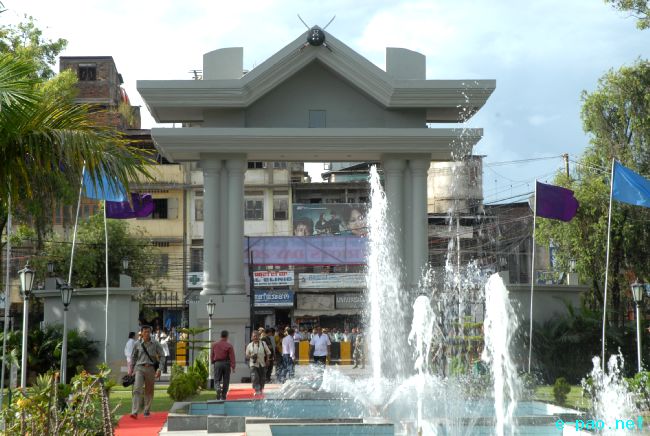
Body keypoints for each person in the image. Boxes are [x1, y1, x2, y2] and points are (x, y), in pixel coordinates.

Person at [129, 325, 163, 418]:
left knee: (149, 390)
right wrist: (132, 369)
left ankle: (146, 409)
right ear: (142, 333)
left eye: (148, 332)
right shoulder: (137, 344)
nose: (147, 333)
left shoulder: (155, 343)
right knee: (137, 389)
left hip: (150, 369)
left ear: (150, 333)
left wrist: (160, 369)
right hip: (139, 368)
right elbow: (133, 357)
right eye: (145, 332)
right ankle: (134, 411)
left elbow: (162, 356)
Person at [211, 330, 236, 400]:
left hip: (217, 363)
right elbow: (232, 357)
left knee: (217, 379)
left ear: (221, 336)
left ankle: (218, 388)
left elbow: (212, 355)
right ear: (227, 336)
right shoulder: (229, 345)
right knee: (226, 380)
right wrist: (233, 366)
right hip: (226, 364)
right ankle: (223, 396)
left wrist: (213, 362)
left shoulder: (214, 345)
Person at [246, 331, 271, 396]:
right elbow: (247, 355)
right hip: (253, 364)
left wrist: (267, 360)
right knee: (255, 377)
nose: (255, 337)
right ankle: (257, 390)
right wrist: (251, 356)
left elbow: (268, 352)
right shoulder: (249, 345)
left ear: (259, 337)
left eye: (257, 336)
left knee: (262, 378)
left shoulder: (263, 343)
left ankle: (261, 389)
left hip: (262, 363)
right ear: (252, 337)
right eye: (254, 336)